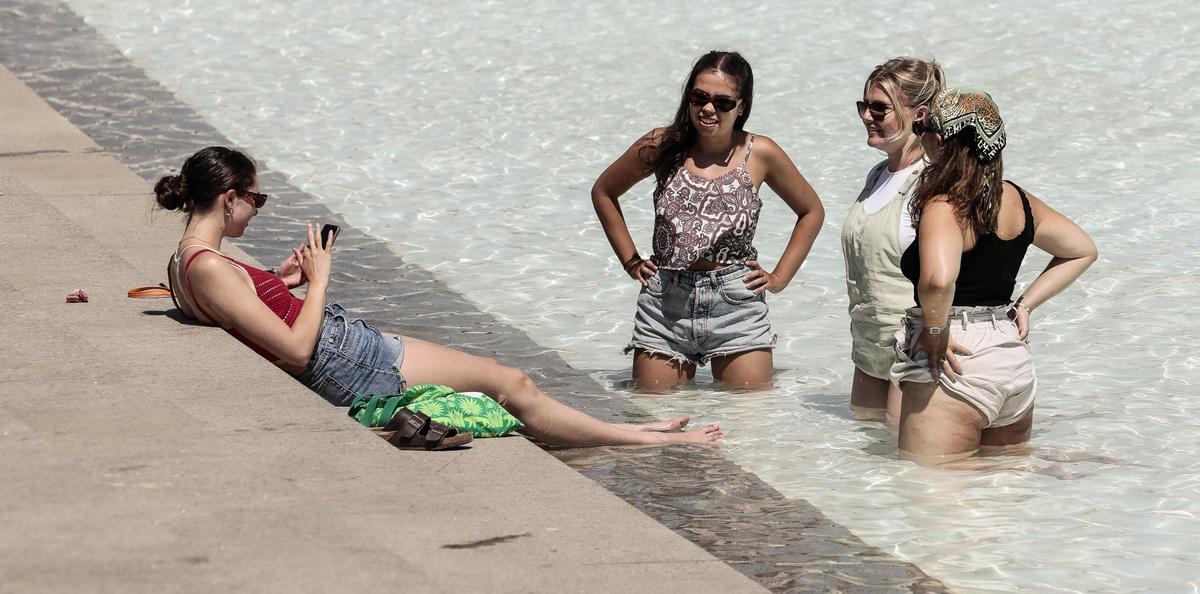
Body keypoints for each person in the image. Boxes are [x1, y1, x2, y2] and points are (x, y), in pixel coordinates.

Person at [156, 146, 723, 447]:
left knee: (502, 386)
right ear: (229, 198)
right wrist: (322, 277)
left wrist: (279, 282)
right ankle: (638, 438)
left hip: (346, 349)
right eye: (257, 198)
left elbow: (244, 312)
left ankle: (627, 431)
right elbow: (297, 351)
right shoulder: (209, 268)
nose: (259, 209)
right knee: (511, 384)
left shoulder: (184, 261)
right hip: (345, 360)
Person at [592, 51, 824, 392]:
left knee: (748, 421)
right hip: (665, 303)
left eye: (723, 101)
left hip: (736, 304)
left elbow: (811, 211)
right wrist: (630, 260)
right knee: (653, 415)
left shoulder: (760, 153)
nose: (708, 108)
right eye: (699, 97)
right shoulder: (662, 144)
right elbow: (604, 191)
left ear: (741, 107)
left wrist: (779, 278)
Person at [891, 89, 1097, 466]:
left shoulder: (944, 204)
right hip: (1010, 356)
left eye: (922, 130)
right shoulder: (1018, 199)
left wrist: (935, 333)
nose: (920, 139)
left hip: (957, 357)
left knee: (928, 503)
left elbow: (938, 280)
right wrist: (1025, 305)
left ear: (940, 140)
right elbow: (1081, 249)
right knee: (1000, 500)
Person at [841, 57, 944, 419]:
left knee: (910, 466)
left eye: (879, 108)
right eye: (864, 106)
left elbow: (954, 271)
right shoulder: (877, 174)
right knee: (867, 454)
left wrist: (938, 331)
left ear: (918, 113)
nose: (867, 116)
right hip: (868, 346)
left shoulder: (932, 180)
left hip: (914, 350)